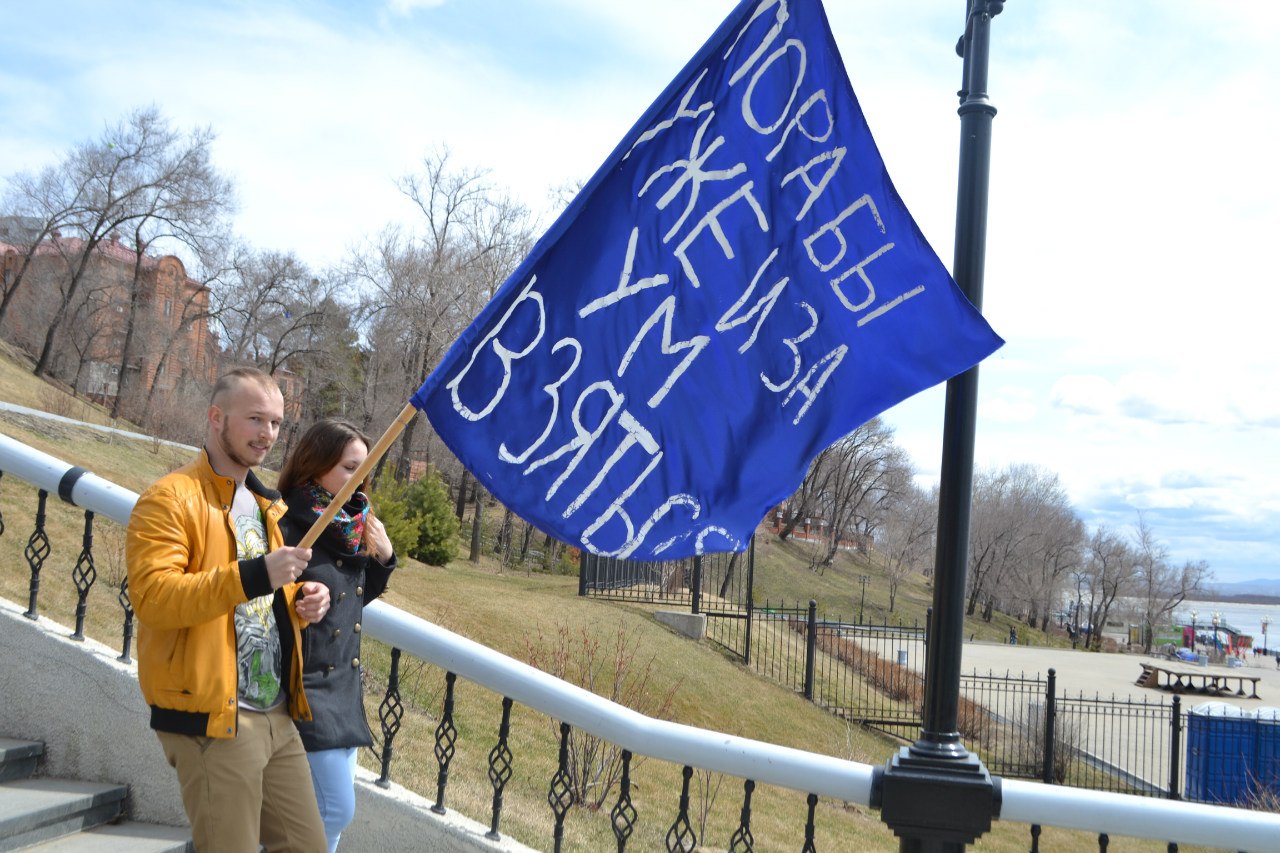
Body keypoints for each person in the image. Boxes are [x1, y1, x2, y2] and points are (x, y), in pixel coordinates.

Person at [126, 367, 330, 853]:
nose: (268, 434)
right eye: (255, 419)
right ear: (216, 417)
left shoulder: (266, 506)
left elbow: (252, 608)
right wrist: (258, 574)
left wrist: (303, 604)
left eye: (277, 423)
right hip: (214, 719)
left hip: (276, 714)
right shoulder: (170, 498)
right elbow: (155, 599)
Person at [277, 418, 397, 853]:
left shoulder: (351, 526)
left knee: (330, 818)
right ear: (316, 465)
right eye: (349, 468)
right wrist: (299, 596)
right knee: (334, 810)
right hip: (306, 689)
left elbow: (352, 598)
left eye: (363, 470)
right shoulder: (290, 523)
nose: (358, 480)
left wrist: (384, 557)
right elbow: (258, 593)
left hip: (344, 691)